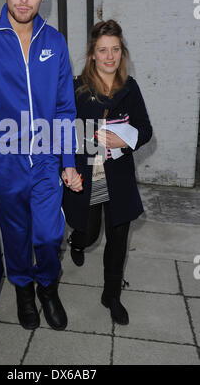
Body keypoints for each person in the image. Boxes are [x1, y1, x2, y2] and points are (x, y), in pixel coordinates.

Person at [0, 0, 80, 331]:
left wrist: (67, 161)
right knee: (14, 236)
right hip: (4, 162)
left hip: (46, 160)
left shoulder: (55, 41)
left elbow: (65, 108)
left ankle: (47, 285)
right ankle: (23, 289)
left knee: (48, 236)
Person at [62, 19, 152, 325]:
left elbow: (146, 130)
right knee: (88, 233)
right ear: (93, 54)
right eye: (103, 50)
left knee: (118, 236)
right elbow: (63, 133)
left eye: (115, 49)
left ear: (121, 51)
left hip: (118, 173)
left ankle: (111, 295)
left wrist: (124, 142)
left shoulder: (130, 88)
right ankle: (77, 240)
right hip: (88, 173)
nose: (110, 56)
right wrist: (67, 167)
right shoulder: (76, 88)